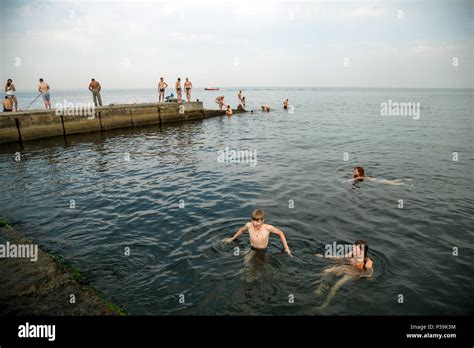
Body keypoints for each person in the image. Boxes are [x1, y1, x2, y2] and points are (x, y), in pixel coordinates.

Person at [315, 240, 373, 308]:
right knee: (326, 271)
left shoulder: (367, 261)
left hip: (352, 274)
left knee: (335, 286)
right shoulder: (351, 254)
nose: (353, 249)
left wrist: (362, 277)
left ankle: (325, 304)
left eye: (355, 248)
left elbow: (369, 272)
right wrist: (323, 256)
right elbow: (340, 258)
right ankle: (320, 288)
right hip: (345, 267)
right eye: (353, 247)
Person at [223, 208, 292, 257]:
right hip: (251, 249)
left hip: (264, 251)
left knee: (264, 266)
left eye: (257, 221)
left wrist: (286, 248)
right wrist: (232, 238)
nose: (254, 223)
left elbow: (280, 233)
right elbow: (241, 230)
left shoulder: (268, 228)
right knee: (247, 265)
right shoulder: (249, 225)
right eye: (253, 220)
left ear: (262, 220)